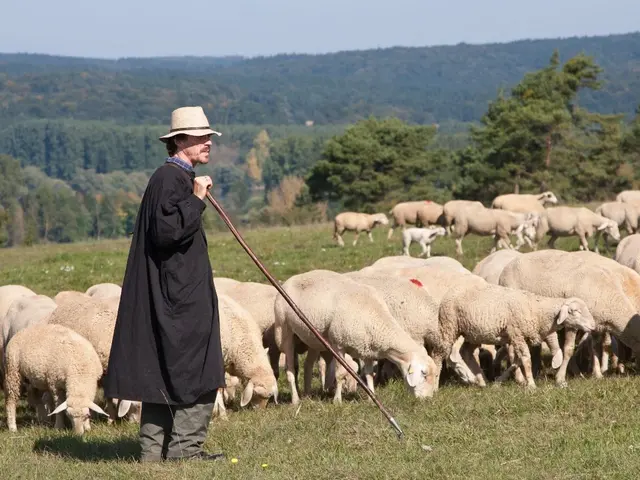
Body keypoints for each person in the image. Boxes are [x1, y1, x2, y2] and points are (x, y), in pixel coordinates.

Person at [103, 106, 226, 463]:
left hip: (171, 293)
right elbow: (167, 233)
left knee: (164, 368)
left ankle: (152, 455)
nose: (208, 143)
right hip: (179, 297)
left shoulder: (170, 178)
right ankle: (185, 452)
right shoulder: (171, 179)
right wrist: (198, 199)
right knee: (198, 368)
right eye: (201, 138)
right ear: (180, 141)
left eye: (208, 138)